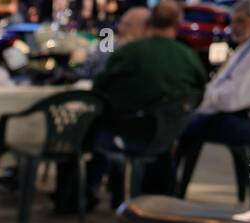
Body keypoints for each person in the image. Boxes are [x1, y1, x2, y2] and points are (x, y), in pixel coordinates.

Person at [86, 1, 207, 198]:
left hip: (129, 134)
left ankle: (80, 195)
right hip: (170, 135)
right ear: (177, 25)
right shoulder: (190, 57)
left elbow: (98, 90)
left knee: (87, 128)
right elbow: (200, 94)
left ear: (148, 24)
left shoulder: (130, 51)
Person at [175, 0, 250, 175]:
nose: (234, 27)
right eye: (233, 21)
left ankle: (171, 184)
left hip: (245, 121)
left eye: (241, 21)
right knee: (180, 118)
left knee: (178, 124)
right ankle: (172, 181)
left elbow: (231, 100)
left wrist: (202, 101)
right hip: (235, 113)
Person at [79, 6, 148, 77]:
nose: (120, 28)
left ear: (144, 28)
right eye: (121, 23)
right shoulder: (107, 46)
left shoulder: (147, 54)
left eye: (127, 25)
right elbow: (84, 71)